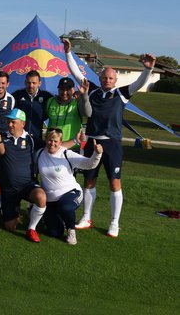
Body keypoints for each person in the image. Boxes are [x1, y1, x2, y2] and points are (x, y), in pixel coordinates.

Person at [63, 38, 156, 237]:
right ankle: (86, 217)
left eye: (111, 78)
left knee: (115, 182)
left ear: (115, 80)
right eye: (104, 78)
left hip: (112, 144)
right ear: (99, 77)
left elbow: (139, 83)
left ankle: (114, 222)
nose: (107, 81)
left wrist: (148, 69)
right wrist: (68, 53)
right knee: (89, 181)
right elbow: (76, 72)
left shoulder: (122, 94)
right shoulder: (92, 91)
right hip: (92, 141)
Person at [35, 129, 103, 245]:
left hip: (71, 192)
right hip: (51, 200)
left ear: (60, 142)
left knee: (65, 207)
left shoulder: (66, 154)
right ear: (46, 140)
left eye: (55, 141)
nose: (52, 143)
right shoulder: (39, 154)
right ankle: (57, 218)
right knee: (54, 232)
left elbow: (89, 164)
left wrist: (97, 154)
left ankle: (71, 230)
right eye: (50, 140)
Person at [0, 108, 47, 242]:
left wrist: (76, 140)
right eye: (9, 122)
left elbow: (54, 147)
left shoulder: (31, 140)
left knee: (41, 196)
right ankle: (12, 211)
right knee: (10, 227)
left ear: (23, 123)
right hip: (8, 189)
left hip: (27, 185)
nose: (9, 125)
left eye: (13, 122)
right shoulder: (1, 137)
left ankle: (31, 228)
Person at [45, 77, 91, 151]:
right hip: (52, 146)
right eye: (62, 89)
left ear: (73, 90)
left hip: (72, 147)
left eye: (67, 90)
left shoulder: (77, 102)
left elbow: (88, 114)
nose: (64, 92)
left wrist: (85, 95)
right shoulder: (50, 101)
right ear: (58, 89)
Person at [12, 70, 53, 149]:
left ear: (39, 83)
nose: (31, 85)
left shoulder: (46, 96)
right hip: (19, 137)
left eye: (34, 83)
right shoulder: (17, 95)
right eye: (28, 82)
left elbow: (58, 101)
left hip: (37, 138)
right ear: (25, 82)